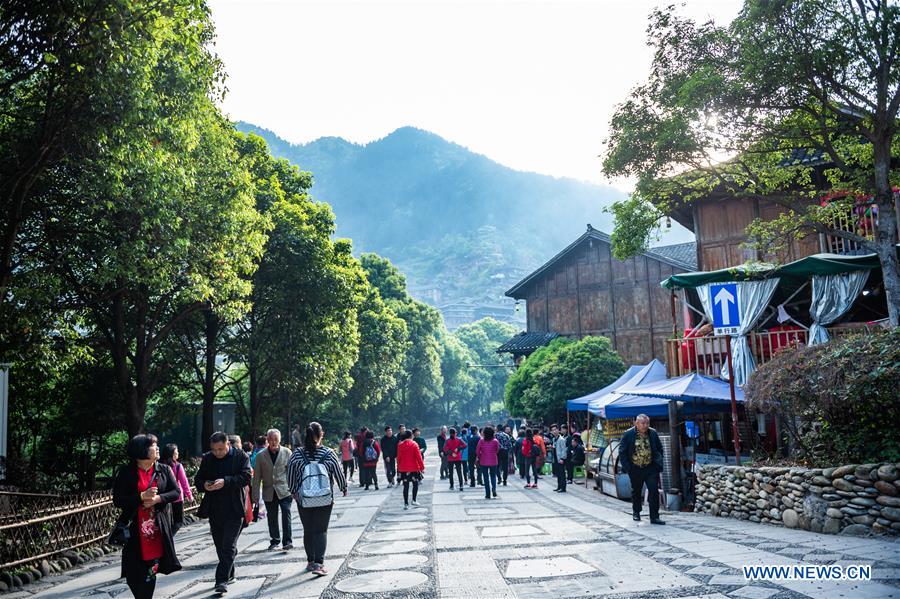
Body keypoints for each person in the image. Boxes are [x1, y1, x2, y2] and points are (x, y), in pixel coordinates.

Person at [113, 434, 182, 599]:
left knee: (150, 571)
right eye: (153, 445)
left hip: (156, 530)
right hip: (134, 530)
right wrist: (141, 497)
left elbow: (176, 492)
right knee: (133, 574)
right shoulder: (126, 472)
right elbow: (118, 500)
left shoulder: (163, 469)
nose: (157, 448)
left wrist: (158, 499)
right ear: (141, 450)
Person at [287, 421, 347, 577]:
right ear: (322, 435)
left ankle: (310, 561)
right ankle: (319, 564)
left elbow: (290, 474)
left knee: (308, 530)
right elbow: (338, 473)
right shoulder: (329, 453)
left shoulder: (297, 454)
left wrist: (293, 491)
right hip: (325, 498)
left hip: (304, 498)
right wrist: (343, 487)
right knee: (321, 530)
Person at [194, 431, 251, 594]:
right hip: (215, 509)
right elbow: (198, 480)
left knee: (228, 546)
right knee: (221, 546)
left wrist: (226, 481)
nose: (217, 453)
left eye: (220, 449)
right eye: (214, 450)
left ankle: (221, 580)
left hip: (235, 509)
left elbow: (246, 477)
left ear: (228, 444)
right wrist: (205, 485)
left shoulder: (240, 456)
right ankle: (230, 573)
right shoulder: (208, 458)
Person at [618, 414, 665, 525]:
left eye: (647, 423)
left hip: (650, 467)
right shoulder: (628, 434)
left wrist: (658, 461)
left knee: (654, 491)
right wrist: (628, 468)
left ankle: (654, 516)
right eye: (643, 423)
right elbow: (622, 452)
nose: (645, 425)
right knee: (636, 491)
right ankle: (636, 512)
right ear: (636, 423)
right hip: (635, 468)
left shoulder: (652, 433)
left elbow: (659, 448)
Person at [251, 428, 293, 551]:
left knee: (286, 512)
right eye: (271, 439)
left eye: (276, 439)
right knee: (272, 516)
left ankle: (287, 541)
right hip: (269, 491)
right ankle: (275, 540)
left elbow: (291, 472)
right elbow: (257, 477)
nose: (273, 442)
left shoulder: (287, 452)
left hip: (284, 489)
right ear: (267, 440)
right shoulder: (261, 455)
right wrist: (255, 496)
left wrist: (294, 488)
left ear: (279, 440)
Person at [159, 443, 193, 534]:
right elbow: (184, 482)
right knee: (178, 522)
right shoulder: (177, 466)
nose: (178, 453)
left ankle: (166, 536)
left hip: (164, 498)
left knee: (166, 522)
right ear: (172, 454)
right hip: (177, 498)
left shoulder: (159, 466)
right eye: (176, 451)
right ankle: (168, 538)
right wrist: (189, 496)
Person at [397, 430, 425, 509]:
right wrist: (422, 467)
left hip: (404, 469)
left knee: (405, 486)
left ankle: (406, 504)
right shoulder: (414, 444)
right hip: (414, 468)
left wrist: (398, 467)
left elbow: (399, 458)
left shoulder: (400, 445)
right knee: (415, 484)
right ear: (411, 436)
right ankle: (414, 500)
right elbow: (419, 457)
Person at [476, 426, 500, 499]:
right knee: (493, 476)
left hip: (484, 461)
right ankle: (494, 488)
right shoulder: (495, 441)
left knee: (485, 477)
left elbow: (477, 451)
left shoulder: (481, 441)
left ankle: (487, 494)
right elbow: (497, 450)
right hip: (493, 461)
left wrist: (479, 456)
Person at [552, 424, 568, 493]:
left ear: (558, 430)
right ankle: (559, 486)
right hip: (556, 458)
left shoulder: (561, 439)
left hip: (560, 459)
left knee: (562, 474)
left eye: (555, 429)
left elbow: (564, 450)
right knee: (558, 473)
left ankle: (563, 488)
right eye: (553, 430)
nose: (554, 431)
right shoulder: (554, 439)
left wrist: (562, 458)